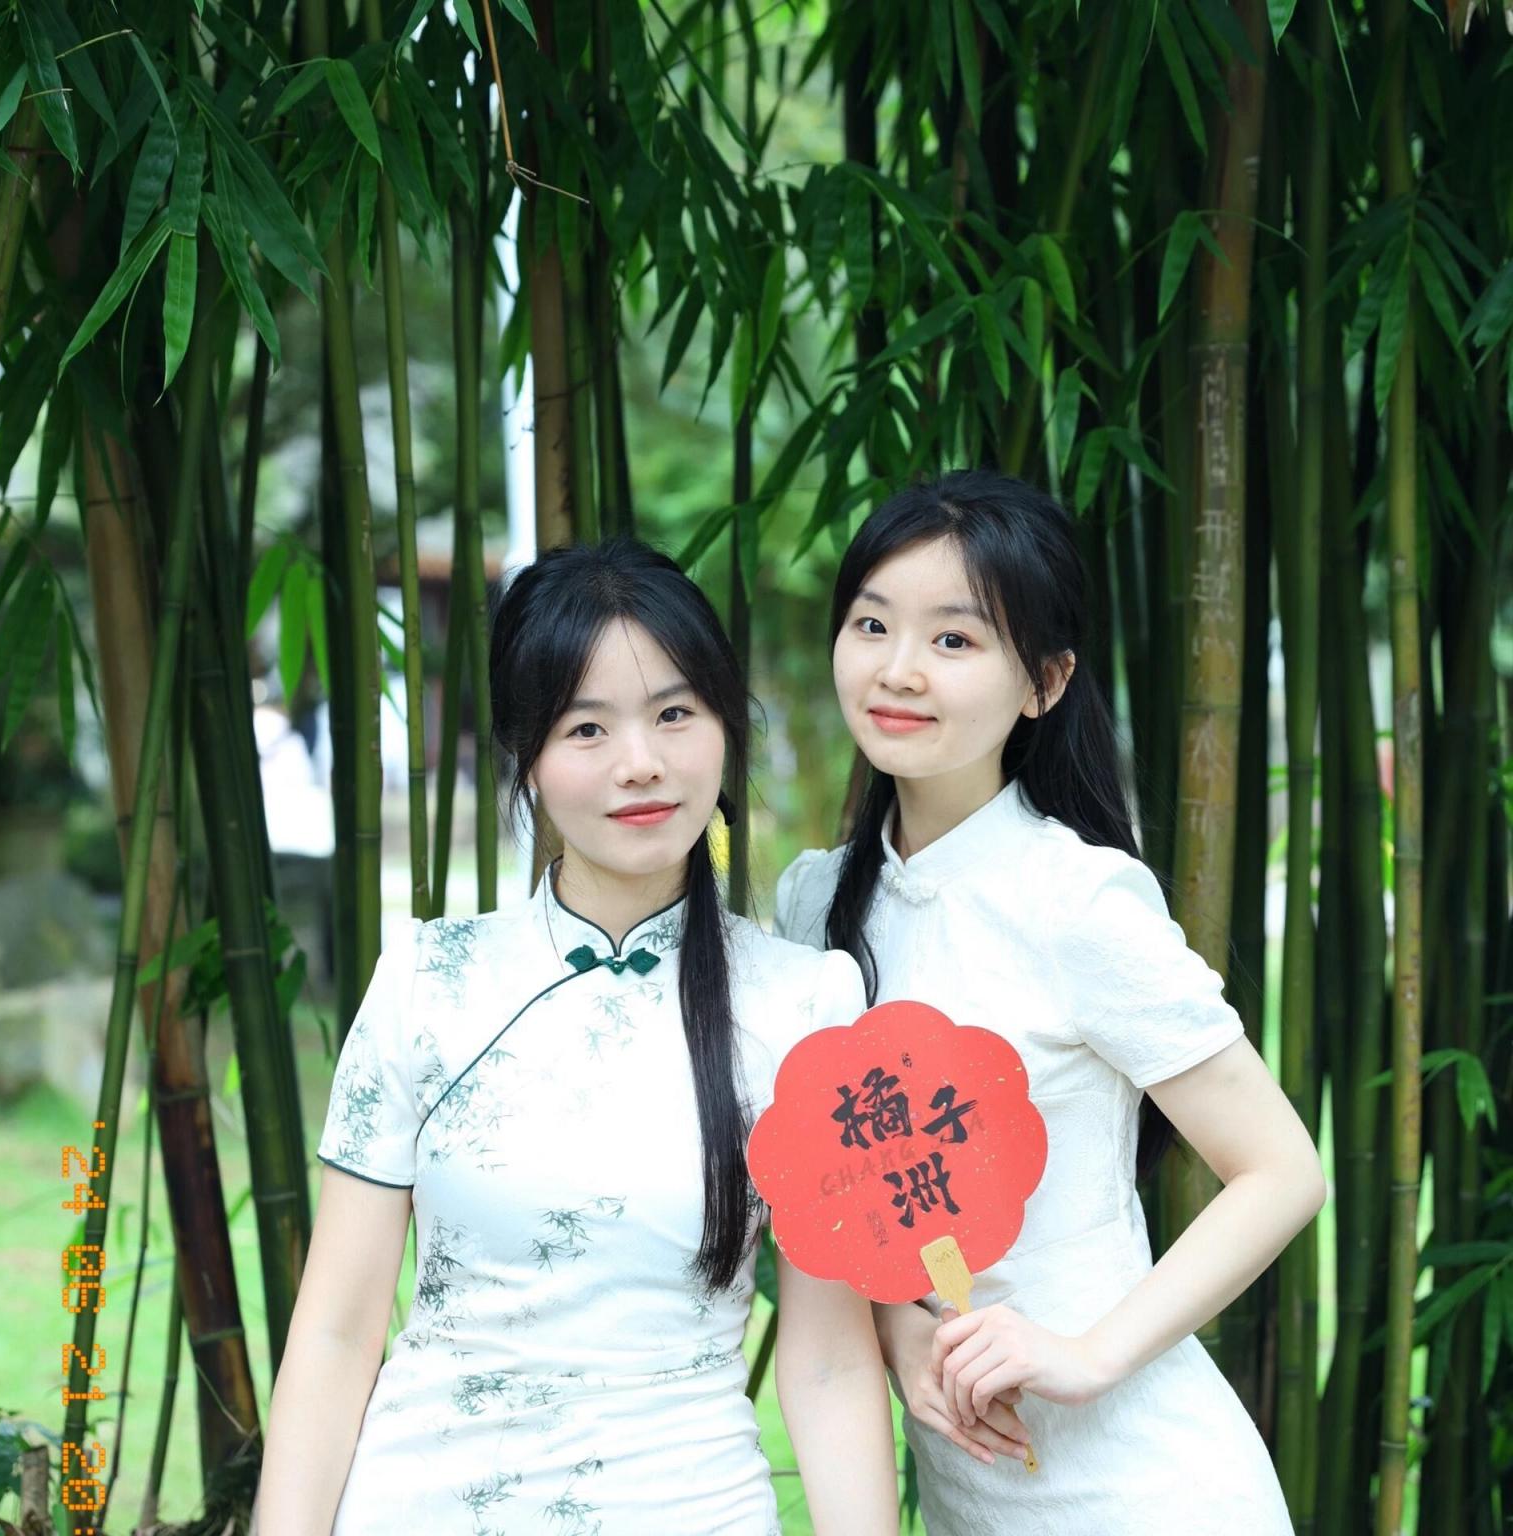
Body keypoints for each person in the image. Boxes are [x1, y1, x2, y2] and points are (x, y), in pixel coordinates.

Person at [255, 539, 898, 1536]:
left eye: (675, 714)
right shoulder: (429, 984)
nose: (641, 763)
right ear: (525, 754)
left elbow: (827, 1361)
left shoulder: (805, 1005)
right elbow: (338, 1332)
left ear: (725, 726)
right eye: (587, 727)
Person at [775, 470, 1324, 1535]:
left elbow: (1283, 1170)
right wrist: (898, 1331)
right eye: (872, 624)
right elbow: (843, 1195)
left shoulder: (1076, 901)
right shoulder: (814, 904)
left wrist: (1088, 1354)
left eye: (954, 639)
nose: (898, 668)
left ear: (1045, 680)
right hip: (975, 1494)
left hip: (1149, 1490)